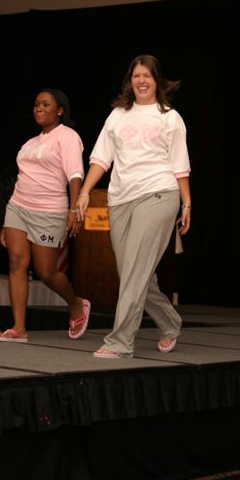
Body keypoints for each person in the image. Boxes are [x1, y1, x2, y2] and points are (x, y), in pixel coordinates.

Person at [76, 54, 191, 358]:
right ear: (130, 81)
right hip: (120, 199)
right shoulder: (117, 115)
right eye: (136, 76)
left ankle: (121, 341)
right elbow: (101, 157)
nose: (141, 81)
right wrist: (85, 191)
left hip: (158, 194)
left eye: (147, 76)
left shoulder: (169, 117)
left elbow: (180, 165)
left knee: (135, 272)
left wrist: (187, 202)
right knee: (132, 273)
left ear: (157, 81)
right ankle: (169, 321)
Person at [0, 88, 91, 342]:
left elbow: (75, 175)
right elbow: (21, 179)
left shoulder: (68, 137)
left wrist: (74, 209)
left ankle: (76, 304)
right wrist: (7, 223)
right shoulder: (30, 143)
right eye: (36, 104)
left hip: (49, 210)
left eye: (45, 104)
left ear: (59, 109)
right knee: (16, 264)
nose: (38, 108)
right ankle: (18, 328)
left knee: (46, 271)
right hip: (18, 206)